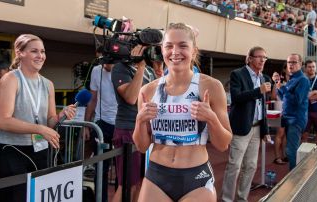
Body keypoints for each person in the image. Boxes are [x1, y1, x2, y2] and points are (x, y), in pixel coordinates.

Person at [133, 23, 232, 202]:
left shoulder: (211, 86)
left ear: (194, 51)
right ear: (162, 50)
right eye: (169, 46)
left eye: (183, 46)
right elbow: (141, 146)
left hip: (196, 177)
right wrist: (139, 122)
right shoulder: (148, 91)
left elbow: (223, 144)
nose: (175, 51)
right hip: (157, 177)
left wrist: (211, 119)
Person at [0, 34, 76, 201]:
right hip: (12, 150)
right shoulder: (11, 79)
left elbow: (49, 121)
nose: (40, 56)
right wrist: (40, 128)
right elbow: (3, 120)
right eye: (34, 51)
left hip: (40, 149)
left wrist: (60, 116)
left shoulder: (48, 84)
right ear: (19, 53)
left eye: (42, 51)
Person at [221, 46, 272, 202]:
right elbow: (236, 98)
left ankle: (242, 198)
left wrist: (265, 130)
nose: (262, 60)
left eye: (265, 57)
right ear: (250, 58)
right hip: (241, 127)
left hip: (257, 128)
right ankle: (227, 199)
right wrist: (258, 90)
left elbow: (262, 107)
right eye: (259, 57)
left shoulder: (263, 78)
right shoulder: (238, 74)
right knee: (234, 166)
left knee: (250, 166)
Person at [111, 44, 156, 202]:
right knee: (127, 185)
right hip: (127, 130)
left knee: (141, 183)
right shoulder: (120, 68)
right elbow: (131, 98)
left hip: (146, 131)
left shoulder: (150, 71)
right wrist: (141, 67)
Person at [84, 60, 117, 202]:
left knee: (122, 170)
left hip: (122, 125)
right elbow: (93, 99)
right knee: (101, 169)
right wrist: (86, 124)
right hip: (102, 124)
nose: (107, 64)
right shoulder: (96, 71)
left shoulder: (125, 69)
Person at [275, 53, 310, 170]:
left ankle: (294, 180)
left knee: (291, 150)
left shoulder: (303, 80)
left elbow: (297, 100)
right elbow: (283, 97)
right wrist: (278, 85)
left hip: (296, 119)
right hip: (288, 118)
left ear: (300, 64)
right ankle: (293, 177)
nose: (291, 65)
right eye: (289, 62)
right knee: (290, 150)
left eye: (294, 62)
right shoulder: (292, 78)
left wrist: (283, 89)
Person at [301, 60, 317, 144]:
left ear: (316, 68)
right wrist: (315, 92)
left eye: (313, 67)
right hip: (304, 112)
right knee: (303, 136)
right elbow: (301, 96)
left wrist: (309, 95)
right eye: (309, 67)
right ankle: (303, 156)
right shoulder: (302, 80)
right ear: (305, 68)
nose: (311, 68)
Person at [271, 67, 289, 165]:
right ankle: (277, 157)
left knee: (285, 134)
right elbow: (273, 96)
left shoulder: (292, 82)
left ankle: (284, 155)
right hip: (279, 110)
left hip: (288, 111)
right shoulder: (278, 83)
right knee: (279, 134)